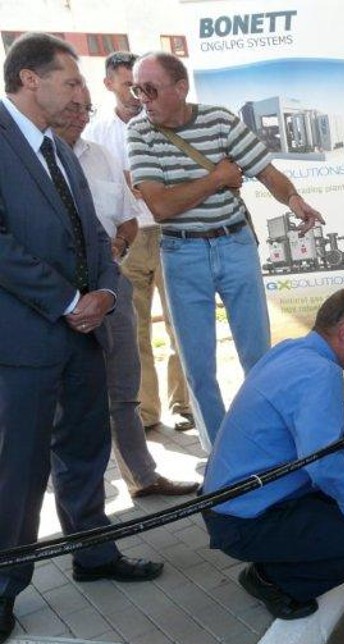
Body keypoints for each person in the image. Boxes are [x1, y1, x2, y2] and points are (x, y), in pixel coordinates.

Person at [0, 33, 163, 644]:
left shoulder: (60, 150)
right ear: (30, 79)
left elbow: (93, 236)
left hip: (81, 335)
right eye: (70, 81)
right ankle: (4, 586)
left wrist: (104, 293)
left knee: (86, 449)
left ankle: (93, 553)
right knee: (18, 469)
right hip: (23, 342)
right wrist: (69, 301)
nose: (79, 94)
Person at [127, 52, 324, 451]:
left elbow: (265, 171)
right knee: (199, 368)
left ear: (180, 88)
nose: (142, 98)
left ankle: (272, 444)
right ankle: (220, 457)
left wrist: (294, 201)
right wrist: (218, 177)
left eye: (150, 89)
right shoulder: (139, 131)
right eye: (137, 89)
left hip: (235, 244)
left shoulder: (219, 119)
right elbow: (160, 206)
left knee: (258, 357)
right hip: (181, 254)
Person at [203, 289, 344, 619]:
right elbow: (324, 461)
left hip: (232, 506)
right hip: (247, 520)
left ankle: (290, 551)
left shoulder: (294, 351)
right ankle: (271, 579)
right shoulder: (321, 373)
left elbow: (340, 431)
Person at [56, 92, 200, 499]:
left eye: (87, 108)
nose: (82, 115)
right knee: (67, 400)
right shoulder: (30, 160)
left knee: (123, 389)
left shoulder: (100, 155)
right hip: (56, 292)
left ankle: (142, 476)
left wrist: (118, 247)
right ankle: (79, 494)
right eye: (73, 106)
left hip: (109, 282)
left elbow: (128, 220)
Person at [84, 51, 194, 433]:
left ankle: (185, 403)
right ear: (108, 84)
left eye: (142, 85)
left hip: (171, 231)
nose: (136, 92)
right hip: (126, 239)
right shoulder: (93, 135)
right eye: (127, 83)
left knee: (183, 322)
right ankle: (146, 413)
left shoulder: (163, 124)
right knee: (133, 331)